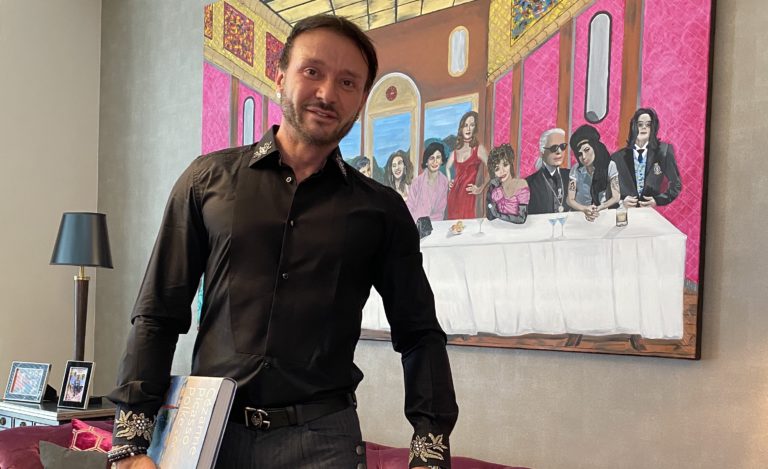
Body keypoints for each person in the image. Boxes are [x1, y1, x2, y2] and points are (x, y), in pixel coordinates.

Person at [106, 14, 457, 469]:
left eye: (347, 82)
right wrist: (130, 441)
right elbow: (159, 310)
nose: (327, 93)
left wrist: (430, 448)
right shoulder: (206, 181)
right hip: (207, 435)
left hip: (323, 443)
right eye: (312, 71)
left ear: (360, 101)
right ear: (280, 76)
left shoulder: (382, 210)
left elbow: (419, 332)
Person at [610, 108, 682, 207]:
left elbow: (676, 184)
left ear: (653, 128)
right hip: (626, 212)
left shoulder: (664, 151)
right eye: (640, 124)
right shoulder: (617, 157)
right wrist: (621, 203)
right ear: (633, 127)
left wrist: (657, 200)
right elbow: (608, 192)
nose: (644, 127)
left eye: (648, 125)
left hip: (651, 211)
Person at [566, 124, 620, 221]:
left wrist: (600, 208)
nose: (584, 157)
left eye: (587, 150)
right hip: (579, 215)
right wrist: (584, 209)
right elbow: (570, 199)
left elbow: (616, 197)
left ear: (595, 147)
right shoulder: (576, 169)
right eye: (579, 154)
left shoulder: (609, 166)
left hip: (602, 214)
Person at [445, 111, 488, 219]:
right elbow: (447, 167)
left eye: (472, 125)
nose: (468, 129)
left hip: (469, 197)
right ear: (461, 128)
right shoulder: (455, 151)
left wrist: (480, 188)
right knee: (454, 226)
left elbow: (493, 169)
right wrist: (449, 180)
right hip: (453, 196)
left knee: (468, 226)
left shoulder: (478, 149)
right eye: (465, 125)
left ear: (475, 128)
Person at [525, 128, 571, 214]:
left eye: (562, 147)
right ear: (542, 152)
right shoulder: (528, 184)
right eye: (554, 148)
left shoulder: (572, 176)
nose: (559, 152)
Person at [485, 143, 529, 224]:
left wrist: (498, 215)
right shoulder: (494, 189)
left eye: (505, 165)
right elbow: (490, 217)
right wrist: (492, 189)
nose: (502, 171)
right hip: (498, 228)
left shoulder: (521, 184)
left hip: (518, 229)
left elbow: (521, 218)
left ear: (510, 164)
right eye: (497, 169)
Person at [406, 141, 449, 222]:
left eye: (438, 157)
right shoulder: (417, 182)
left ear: (442, 160)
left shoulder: (444, 182)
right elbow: (409, 207)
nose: (435, 161)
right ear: (426, 162)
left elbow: (440, 211)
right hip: (416, 223)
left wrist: (429, 223)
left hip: (435, 223)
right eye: (431, 158)